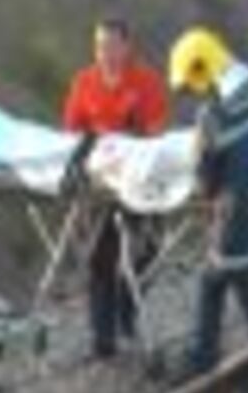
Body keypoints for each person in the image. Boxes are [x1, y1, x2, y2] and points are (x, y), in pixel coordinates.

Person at [168, 28, 248, 383]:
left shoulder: (213, 118)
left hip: (237, 225)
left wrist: (199, 161)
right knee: (237, 285)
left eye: (189, 83)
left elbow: (207, 185)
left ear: (202, 69)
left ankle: (206, 356)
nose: (189, 92)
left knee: (221, 281)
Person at [62, 18, 169, 359]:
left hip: (137, 175)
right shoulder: (84, 81)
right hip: (99, 181)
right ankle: (102, 336)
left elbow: (154, 134)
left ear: (126, 46)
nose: (104, 53)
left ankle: (127, 310)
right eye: (98, 46)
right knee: (99, 258)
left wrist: (127, 144)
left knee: (148, 251)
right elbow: (72, 132)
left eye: (110, 45)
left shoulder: (146, 81)